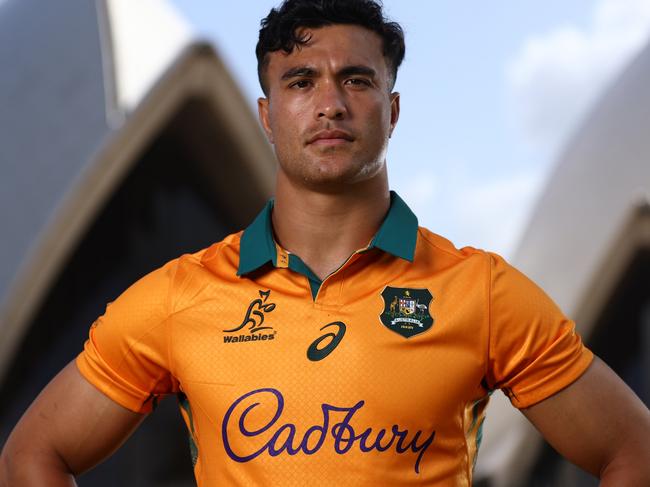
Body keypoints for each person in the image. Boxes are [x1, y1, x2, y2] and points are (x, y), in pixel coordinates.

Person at [2, 0, 650, 485]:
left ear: (392, 110)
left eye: (358, 80)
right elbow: (33, 454)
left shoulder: (480, 291)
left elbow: (633, 448)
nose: (330, 104)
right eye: (301, 81)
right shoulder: (182, 295)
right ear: (266, 115)